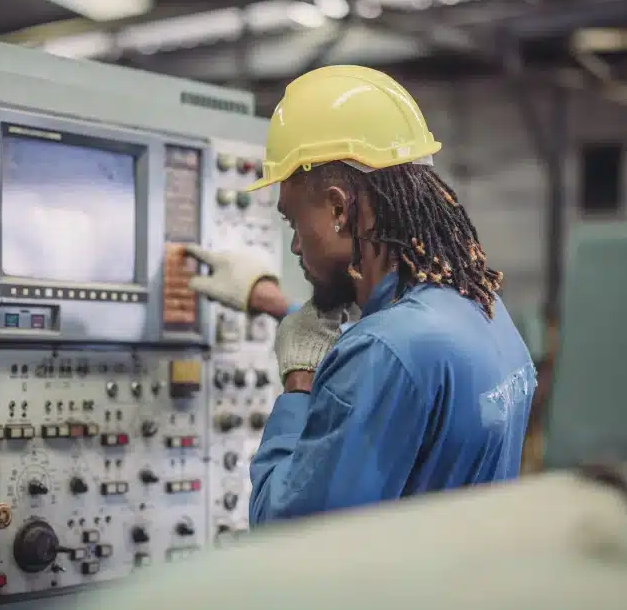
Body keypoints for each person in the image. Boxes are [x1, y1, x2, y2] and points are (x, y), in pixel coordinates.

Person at [184, 65, 536, 525]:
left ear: (337, 208)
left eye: (293, 221)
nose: (294, 246)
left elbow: (287, 532)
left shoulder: (381, 354)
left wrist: (299, 380)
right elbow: (405, 359)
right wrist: (269, 300)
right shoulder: (480, 309)